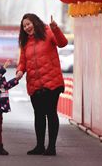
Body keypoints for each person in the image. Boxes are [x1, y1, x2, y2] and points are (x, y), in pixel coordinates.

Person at [15, 13, 68, 156]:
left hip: (52, 81)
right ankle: (39, 146)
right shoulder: (25, 42)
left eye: (29, 24)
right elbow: (22, 62)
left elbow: (63, 43)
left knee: (50, 113)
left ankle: (51, 147)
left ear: (35, 22)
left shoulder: (48, 32)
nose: (27, 27)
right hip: (34, 84)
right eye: (24, 26)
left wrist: (55, 28)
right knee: (38, 115)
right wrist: (20, 71)